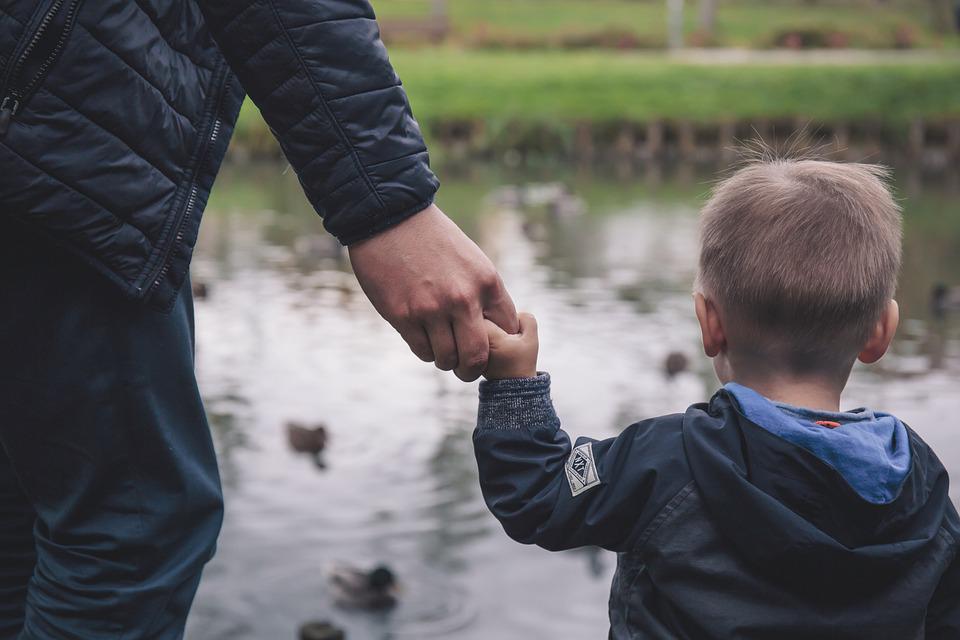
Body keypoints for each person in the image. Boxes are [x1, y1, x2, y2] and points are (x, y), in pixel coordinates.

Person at [0, 1, 516, 638]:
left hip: (38, 121)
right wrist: (388, 205)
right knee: (129, 529)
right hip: (54, 141)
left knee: (26, 507)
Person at [473, 155, 960, 638]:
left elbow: (539, 495)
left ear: (710, 325)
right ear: (881, 332)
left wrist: (514, 382)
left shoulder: (666, 462)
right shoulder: (919, 484)